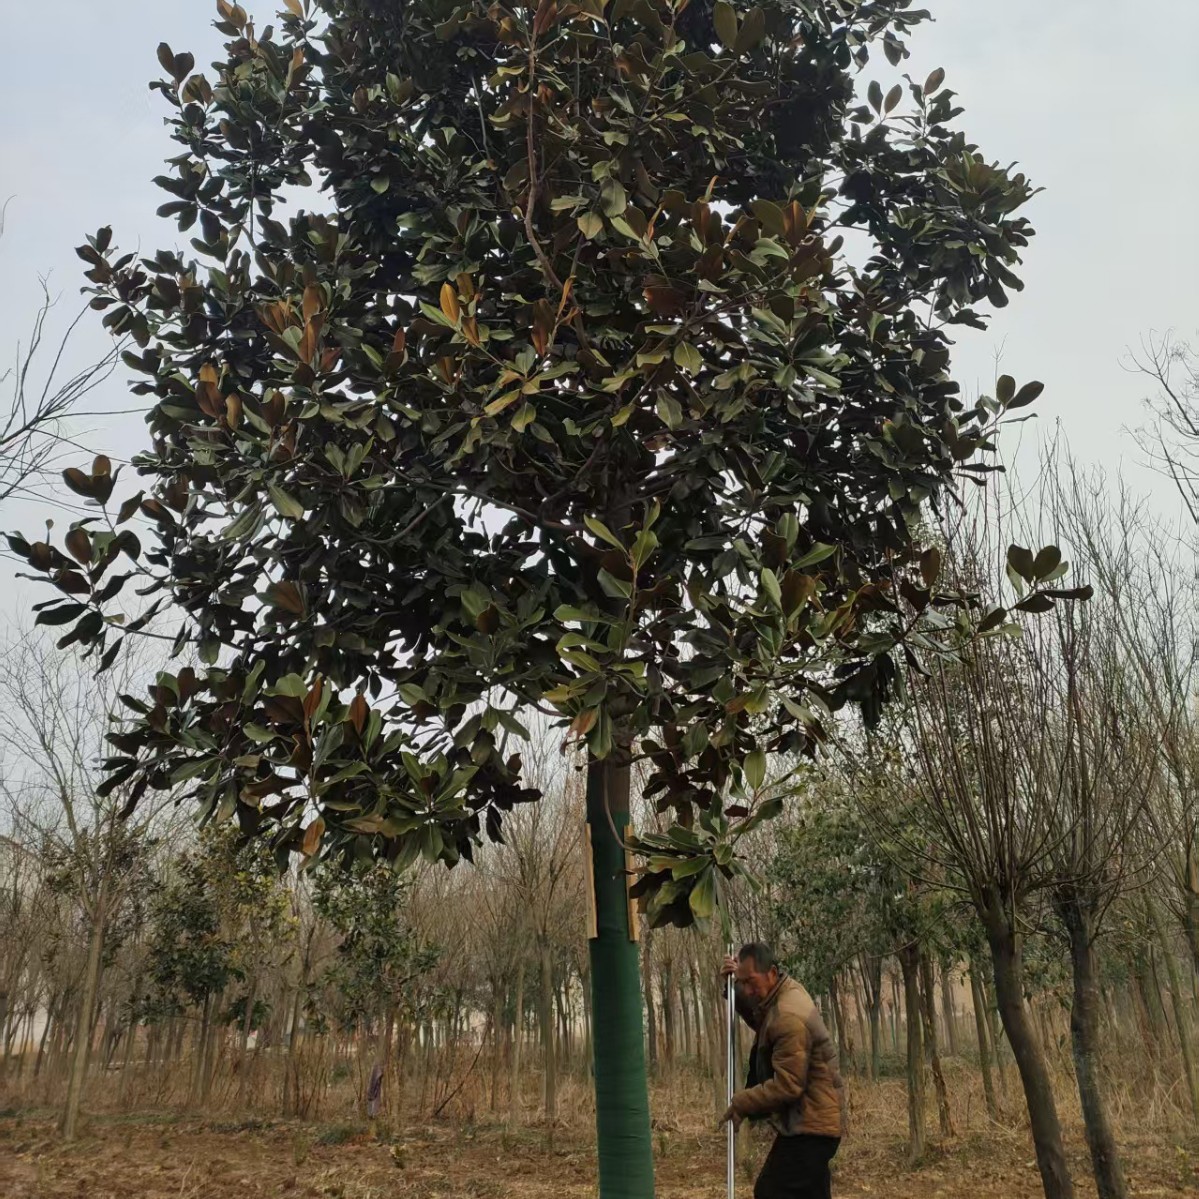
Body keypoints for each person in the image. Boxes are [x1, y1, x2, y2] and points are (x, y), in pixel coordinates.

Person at [719, 942, 846, 1199]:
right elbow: (763, 1018)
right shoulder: (780, 994)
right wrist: (732, 987)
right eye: (743, 982)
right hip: (817, 1121)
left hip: (812, 1126)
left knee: (771, 1191)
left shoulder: (788, 1015)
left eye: (750, 982)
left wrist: (743, 1101)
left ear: (772, 973)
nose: (747, 989)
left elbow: (788, 1085)